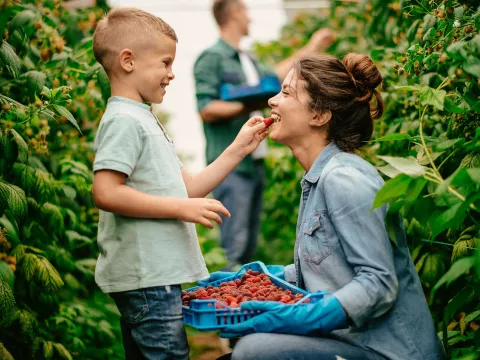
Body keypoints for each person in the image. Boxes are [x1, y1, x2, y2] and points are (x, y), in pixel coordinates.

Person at [205, 54, 446, 360]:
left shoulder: (343, 179)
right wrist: (257, 280)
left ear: (319, 115)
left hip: (391, 352)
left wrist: (304, 317)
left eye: (286, 93)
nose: (272, 101)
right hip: (355, 344)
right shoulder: (319, 177)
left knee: (254, 351)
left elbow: (378, 284)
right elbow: (330, 267)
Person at [91, 8, 270, 360]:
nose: (172, 74)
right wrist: (180, 209)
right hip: (147, 278)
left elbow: (188, 189)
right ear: (128, 61)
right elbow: (106, 192)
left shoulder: (143, 118)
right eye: (165, 62)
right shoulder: (125, 120)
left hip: (154, 276)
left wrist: (238, 148)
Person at [194, 0, 335, 271]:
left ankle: (243, 306)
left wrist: (314, 46)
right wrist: (247, 104)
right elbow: (207, 108)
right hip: (232, 166)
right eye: (246, 12)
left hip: (254, 162)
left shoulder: (248, 60)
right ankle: (226, 307)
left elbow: (279, 76)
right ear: (234, 13)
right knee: (233, 247)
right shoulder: (212, 58)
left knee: (247, 246)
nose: (250, 19)